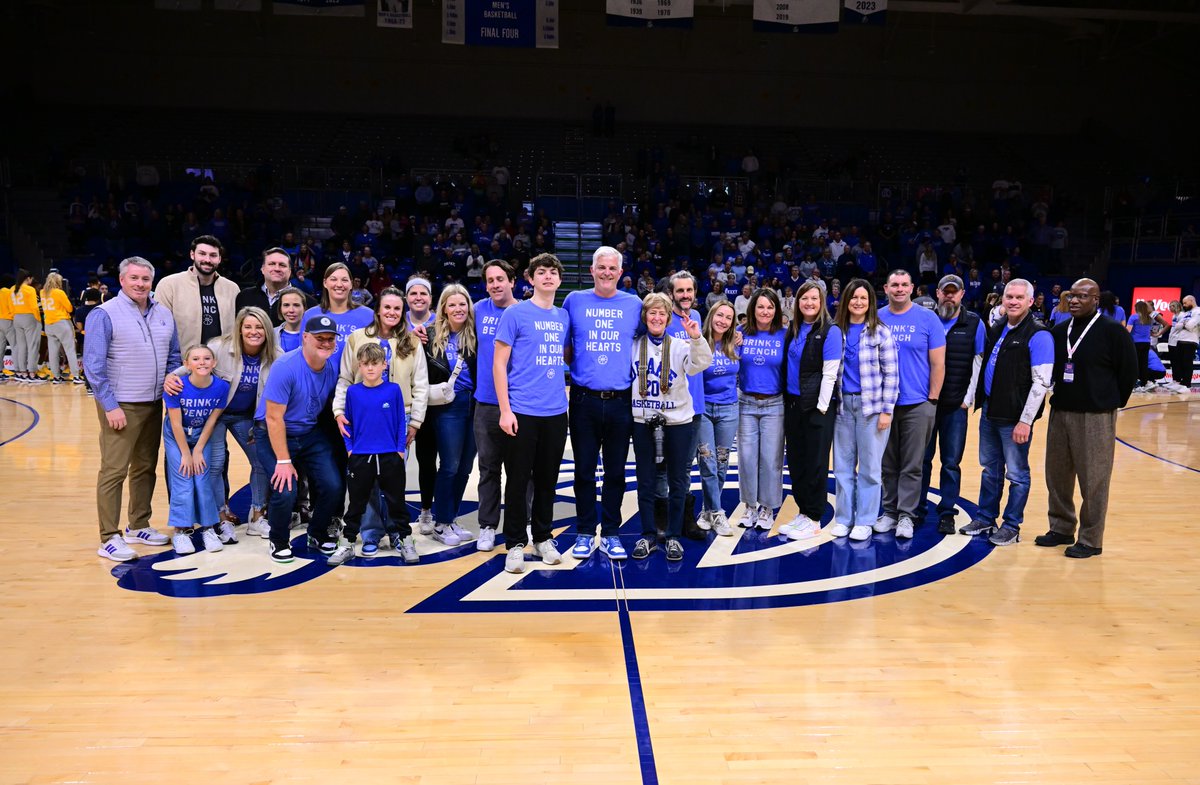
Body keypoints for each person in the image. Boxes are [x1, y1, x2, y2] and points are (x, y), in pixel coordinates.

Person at [85, 257, 181, 562]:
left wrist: (171, 377)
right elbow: (94, 367)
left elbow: (175, 355)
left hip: (154, 403)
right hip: (121, 405)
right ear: (122, 280)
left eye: (145, 279)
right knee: (114, 471)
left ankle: (138, 525)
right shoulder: (104, 314)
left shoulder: (164, 314)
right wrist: (110, 406)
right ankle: (108, 537)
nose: (140, 284)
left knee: (144, 468)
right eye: (134, 278)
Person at [1036, 278, 1137, 559]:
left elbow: (1128, 372)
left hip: (1095, 416)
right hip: (1061, 412)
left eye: (1083, 296)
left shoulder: (1113, 332)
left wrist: (1110, 402)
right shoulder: (1058, 331)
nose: (1076, 301)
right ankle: (1061, 527)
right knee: (1056, 475)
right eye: (1072, 296)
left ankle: (1091, 539)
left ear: (1096, 300)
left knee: (1094, 480)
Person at [333, 286, 428, 556]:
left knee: (392, 482)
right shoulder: (356, 338)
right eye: (387, 307)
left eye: (397, 308)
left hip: (400, 417)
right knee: (366, 484)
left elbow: (419, 384)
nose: (392, 313)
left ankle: (398, 534)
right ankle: (371, 532)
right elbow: (345, 379)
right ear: (378, 310)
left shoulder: (412, 341)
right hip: (363, 418)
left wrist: (415, 421)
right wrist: (339, 411)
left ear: (403, 312)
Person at [958, 279, 1053, 546]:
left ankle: (1012, 525)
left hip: (1015, 418)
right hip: (990, 411)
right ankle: (986, 517)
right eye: (1008, 296)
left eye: (1019, 297)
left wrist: (1026, 421)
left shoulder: (1039, 334)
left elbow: (1041, 382)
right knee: (990, 469)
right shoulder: (999, 327)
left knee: (1017, 474)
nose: (1012, 301)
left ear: (1030, 301)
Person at [494, 253, 570, 574]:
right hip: (521, 410)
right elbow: (499, 363)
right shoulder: (515, 313)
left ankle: (542, 537)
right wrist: (505, 410)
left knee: (547, 481)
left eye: (553, 272)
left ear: (559, 280)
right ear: (531, 278)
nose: (548, 277)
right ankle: (514, 543)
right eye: (542, 272)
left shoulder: (563, 316)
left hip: (555, 412)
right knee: (517, 480)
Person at [563, 246, 641, 560]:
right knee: (583, 469)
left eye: (613, 268)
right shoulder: (574, 301)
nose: (607, 272)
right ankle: (584, 531)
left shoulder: (634, 304)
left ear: (620, 273)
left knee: (616, 472)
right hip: (583, 399)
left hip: (621, 401)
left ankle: (610, 532)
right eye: (601, 267)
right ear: (592, 271)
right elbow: (566, 350)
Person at [254, 315, 345, 563]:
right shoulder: (286, 366)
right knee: (285, 489)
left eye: (329, 339)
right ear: (305, 337)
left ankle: (316, 533)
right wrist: (284, 461)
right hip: (274, 431)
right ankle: (279, 539)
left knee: (333, 485)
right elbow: (273, 418)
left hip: (309, 433)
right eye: (319, 338)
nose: (325, 343)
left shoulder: (331, 366)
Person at [629, 293, 712, 561]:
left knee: (678, 480)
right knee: (646, 480)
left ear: (667, 318)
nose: (656, 318)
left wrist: (697, 337)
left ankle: (674, 536)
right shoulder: (633, 345)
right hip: (643, 421)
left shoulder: (680, 344)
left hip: (678, 422)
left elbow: (701, 364)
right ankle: (649, 534)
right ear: (645, 317)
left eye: (661, 314)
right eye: (652, 313)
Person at [329, 342, 417, 566]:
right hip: (361, 456)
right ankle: (347, 544)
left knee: (396, 502)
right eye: (366, 364)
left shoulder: (393, 390)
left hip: (390, 455)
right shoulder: (353, 392)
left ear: (384, 365)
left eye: (375, 364)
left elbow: (399, 422)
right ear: (359, 365)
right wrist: (350, 449)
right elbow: (347, 421)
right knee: (357, 504)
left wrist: (399, 449)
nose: (370, 368)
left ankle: (406, 540)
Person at [876, 269, 946, 540]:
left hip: (918, 403)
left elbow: (938, 363)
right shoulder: (878, 317)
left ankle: (907, 515)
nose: (899, 288)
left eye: (905, 284)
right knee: (888, 462)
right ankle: (890, 511)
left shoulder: (928, 318)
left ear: (913, 288)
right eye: (895, 284)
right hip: (885, 404)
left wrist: (932, 399)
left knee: (912, 464)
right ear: (886, 288)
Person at [830, 279, 898, 541]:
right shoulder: (837, 330)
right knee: (843, 466)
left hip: (872, 408)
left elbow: (891, 375)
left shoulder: (881, 332)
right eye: (854, 297)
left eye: (863, 298)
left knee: (870, 468)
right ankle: (844, 518)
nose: (858, 302)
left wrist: (886, 411)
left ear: (870, 303)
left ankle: (866, 520)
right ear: (846, 300)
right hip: (843, 407)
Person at [919, 275, 984, 535]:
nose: (949, 296)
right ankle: (916, 510)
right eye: (944, 292)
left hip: (955, 406)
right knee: (921, 461)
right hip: (925, 404)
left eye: (953, 292)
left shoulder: (975, 323)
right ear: (937, 293)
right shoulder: (925, 320)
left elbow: (978, 361)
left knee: (950, 463)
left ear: (961, 294)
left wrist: (968, 399)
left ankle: (947, 512)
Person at [780, 281, 842, 540]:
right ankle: (803, 512)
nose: (808, 303)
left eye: (814, 299)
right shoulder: (793, 329)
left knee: (816, 464)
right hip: (793, 404)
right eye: (804, 298)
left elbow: (830, 374)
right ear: (797, 302)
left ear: (822, 302)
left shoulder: (831, 331)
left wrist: (821, 408)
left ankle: (814, 517)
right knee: (796, 463)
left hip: (818, 407)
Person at [424, 284, 478, 546]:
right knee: (450, 465)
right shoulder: (429, 335)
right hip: (447, 406)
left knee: (466, 467)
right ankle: (441, 522)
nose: (458, 309)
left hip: (475, 405)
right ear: (443, 308)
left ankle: (451, 517)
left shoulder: (475, 335)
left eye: (462, 304)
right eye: (452, 304)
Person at [163, 344, 230, 555]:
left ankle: (208, 528)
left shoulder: (221, 387)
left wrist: (198, 450)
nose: (202, 362)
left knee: (202, 478)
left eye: (207, 358)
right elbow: (174, 424)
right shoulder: (176, 386)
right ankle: (181, 531)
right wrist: (185, 453)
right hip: (177, 436)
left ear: (214, 363)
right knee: (184, 477)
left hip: (201, 434)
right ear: (186, 364)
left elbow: (212, 420)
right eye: (196, 359)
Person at [472, 260, 519, 553]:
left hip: (520, 401)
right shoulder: (477, 310)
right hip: (486, 402)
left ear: (512, 281)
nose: (495, 285)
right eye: (490, 280)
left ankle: (521, 521)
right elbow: (445, 319)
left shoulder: (525, 311)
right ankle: (488, 526)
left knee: (521, 469)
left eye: (500, 279)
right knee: (488, 468)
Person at [736, 288, 787, 530]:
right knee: (746, 458)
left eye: (770, 307)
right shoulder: (739, 334)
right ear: (752, 309)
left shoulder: (785, 336)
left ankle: (768, 508)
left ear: (776, 310)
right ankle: (749, 507)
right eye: (760, 306)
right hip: (746, 403)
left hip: (774, 404)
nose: (765, 311)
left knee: (770, 459)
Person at [154, 235, 240, 355]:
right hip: (182, 364)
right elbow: (159, 330)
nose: (207, 260)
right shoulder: (169, 285)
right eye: (202, 254)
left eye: (213, 255)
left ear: (220, 259)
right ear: (192, 254)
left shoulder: (232, 289)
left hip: (222, 365)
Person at [696, 301, 739, 537]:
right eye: (719, 315)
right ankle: (718, 512)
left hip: (729, 409)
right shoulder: (699, 341)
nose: (723, 320)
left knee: (722, 463)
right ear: (711, 315)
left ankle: (707, 511)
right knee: (707, 462)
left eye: (728, 317)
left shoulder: (736, 341)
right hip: (703, 409)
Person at [402, 276, 439, 535]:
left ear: (430, 298)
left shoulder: (441, 322)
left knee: (427, 460)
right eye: (413, 293)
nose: (418, 297)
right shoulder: (394, 320)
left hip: (431, 401)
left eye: (423, 293)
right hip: (400, 401)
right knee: (394, 462)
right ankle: (392, 513)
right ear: (406, 297)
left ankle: (426, 509)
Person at [236, 247, 304, 326]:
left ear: (290, 271)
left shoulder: (307, 301)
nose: (277, 268)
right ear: (262, 269)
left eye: (282, 265)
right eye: (272, 264)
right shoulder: (244, 297)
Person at [41, 272, 84, 384]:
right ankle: (76, 376)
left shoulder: (42, 292)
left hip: (48, 324)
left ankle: (56, 377)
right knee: (70, 350)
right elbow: (69, 308)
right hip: (61, 323)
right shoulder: (59, 292)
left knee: (53, 351)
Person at [8, 269, 42, 384]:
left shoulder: (12, 289)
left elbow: (10, 307)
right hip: (29, 317)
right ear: (28, 278)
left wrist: (14, 317)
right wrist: (38, 319)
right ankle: (32, 373)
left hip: (16, 318)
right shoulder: (30, 289)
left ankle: (23, 372)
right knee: (32, 345)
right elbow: (34, 307)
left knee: (21, 346)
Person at [1127, 301, 1166, 392]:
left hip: (1135, 343)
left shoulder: (1133, 317)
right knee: (1143, 364)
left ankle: (1134, 384)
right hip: (1146, 343)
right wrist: (1157, 334)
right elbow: (1155, 329)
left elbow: (1127, 331)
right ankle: (1144, 383)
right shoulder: (1149, 318)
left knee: (1134, 363)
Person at [1166, 296, 1199, 392]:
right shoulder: (1187, 313)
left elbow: (1190, 325)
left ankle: (1186, 384)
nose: (1183, 305)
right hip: (1180, 340)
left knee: (1187, 363)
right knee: (1179, 363)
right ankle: (1180, 383)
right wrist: (1184, 324)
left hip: (1191, 340)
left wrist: (1184, 324)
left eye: (1185, 303)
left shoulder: (1198, 311)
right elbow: (1177, 326)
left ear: (1191, 301)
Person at [274, 287, 306, 353]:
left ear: (304, 308)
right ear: (280, 308)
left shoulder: (315, 334)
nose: (291, 310)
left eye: (296, 305)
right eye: (286, 305)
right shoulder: (271, 334)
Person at [0, 274, 13, 382]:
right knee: (16, 346)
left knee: (0, 347)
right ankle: (20, 371)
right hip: (8, 320)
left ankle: (0, 371)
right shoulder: (8, 292)